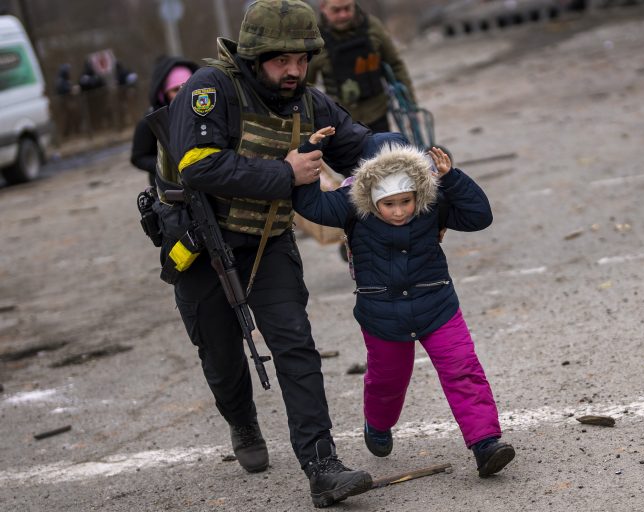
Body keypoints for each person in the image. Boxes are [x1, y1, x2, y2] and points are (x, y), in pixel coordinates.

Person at [165, 0, 374, 507]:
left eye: (302, 59)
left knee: (295, 344)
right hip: (200, 243)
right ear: (255, 57)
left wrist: (415, 162)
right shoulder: (208, 89)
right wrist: (285, 175)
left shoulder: (308, 102)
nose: (294, 70)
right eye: (282, 60)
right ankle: (242, 422)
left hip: (268, 239)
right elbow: (197, 165)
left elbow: (361, 145)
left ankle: (322, 465)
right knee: (220, 355)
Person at [292, 140, 517, 478]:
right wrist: (306, 158)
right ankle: (378, 424)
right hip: (382, 315)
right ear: (372, 197)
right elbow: (312, 207)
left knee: (463, 369)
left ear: (417, 193)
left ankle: (485, 443)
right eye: (389, 204)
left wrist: (452, 178)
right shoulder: (351, 205)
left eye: (405, 202)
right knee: (387, 381)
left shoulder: (432, 203)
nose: (398, 212)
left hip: (437, 306)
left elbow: (479, 216)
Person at [307, 0, 416, 133]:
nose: (343, 15)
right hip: (341, 120)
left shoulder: (372, 26)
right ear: (323, 8)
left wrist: (411, 108)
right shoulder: (315, 39)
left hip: (378, 113)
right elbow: (306, 84)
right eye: (336, 10)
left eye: (347, 8)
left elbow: (395, 65)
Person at [131, 56, 197, 185]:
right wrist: (167, 166)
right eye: (175, 89)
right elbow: (138, 157)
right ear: (163, 93)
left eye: (187, 86)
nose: (182, 93)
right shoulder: (150, 122)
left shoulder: (205, 113)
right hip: (167, 187)